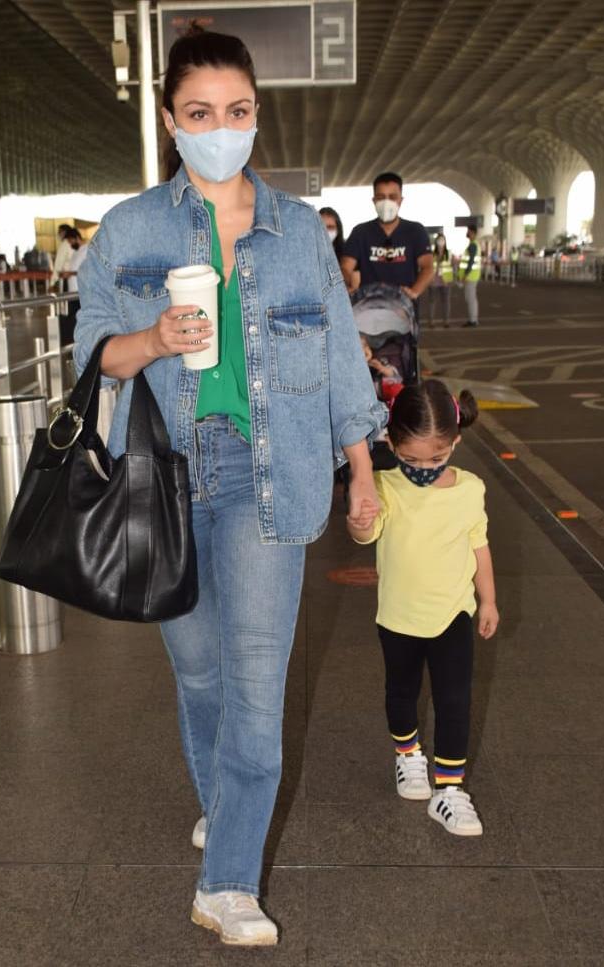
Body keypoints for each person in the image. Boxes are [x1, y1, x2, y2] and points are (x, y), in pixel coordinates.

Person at [74, 28, 385, 947]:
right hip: (166, 480)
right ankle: (229, 809)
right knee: (199, 674)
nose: (222, 129)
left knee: (255, 687)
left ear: (257, 114)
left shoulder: (296, 234)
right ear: (171, 121)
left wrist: (362, 471)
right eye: (201, 114)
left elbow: (338, 361)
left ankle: (228, 881)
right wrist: (154, 340)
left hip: (268, 477)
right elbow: (91, 353)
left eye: (238, 112)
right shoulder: (131, 229)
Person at [346, 378, 499, 837]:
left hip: (453, 613)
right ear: (390, 443)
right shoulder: (384, 485)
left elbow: (480, 545)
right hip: (398, 616)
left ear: (456, 442)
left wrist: (487, 599)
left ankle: (450, 790)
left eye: (436, 458)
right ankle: (408, 755)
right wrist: (358, 522)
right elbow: (365, 537)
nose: (424, 469)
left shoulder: (470, 489)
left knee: (455, 700)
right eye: (410, 459)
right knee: (402, 692)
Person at [341, 172, 434, 307]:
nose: (386, 202)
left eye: (392, 197)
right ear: (374, 200)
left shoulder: (415, 231)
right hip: (368, 309)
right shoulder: (360, 232)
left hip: (404, 311)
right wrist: (347, 285)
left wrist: (414, 291)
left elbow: (428, 267)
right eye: (381, 197)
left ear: (400, 200)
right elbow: (345, 267)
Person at [60, 228, 87, 344]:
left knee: (79, 319)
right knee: (72, 319)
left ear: (77, 238)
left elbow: (88, 270)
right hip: (72, 292)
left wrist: (71, 273)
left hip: (81, 292)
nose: (70, 245)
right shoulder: (76, 252)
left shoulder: (87, 249)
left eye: (71, 241)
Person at [319, 206, 351, 286]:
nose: (326, 231)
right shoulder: (305, 254)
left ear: (338, 230)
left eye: (330, 227)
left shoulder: (348, 253)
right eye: (322, 227)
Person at [427, 233, 453, 327]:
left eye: (442, 240)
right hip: (433, 281)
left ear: (445, 242)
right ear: (436, 242)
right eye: (439, 240)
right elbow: (428, 267)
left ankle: (446, 321)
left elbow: (452, 267)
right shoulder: (431, 254)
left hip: (445, 281)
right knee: (432, 302)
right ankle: (431, 321)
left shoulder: (449, 253)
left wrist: (450, 279)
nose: (441, 242)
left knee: (446, 302)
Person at [459, 225, 482, 327]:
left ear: (472, 232)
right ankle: (473, 319)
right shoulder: (474, 244)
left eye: (468, 231)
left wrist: (465, 274)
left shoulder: (473, 245)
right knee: (471, 298)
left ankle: (473, 320)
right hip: (472, 276)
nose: (467, 233)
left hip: (470, 276)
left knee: (471, 298)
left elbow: (471, 261)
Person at [50, 222, 73, 288]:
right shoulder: (74, 244)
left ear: (65, 232)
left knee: (68, 297)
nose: (58, 234)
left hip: (67, 278)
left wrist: (52, 283)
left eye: (59, 231)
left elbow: (58, 265)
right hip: (77, 277)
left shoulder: (64, 245)